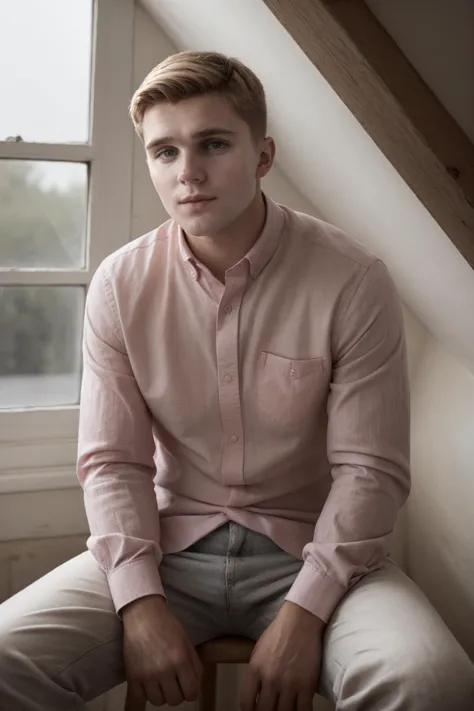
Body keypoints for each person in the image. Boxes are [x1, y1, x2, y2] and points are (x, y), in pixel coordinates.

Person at [0, 50, 473, 711]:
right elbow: (114, 461)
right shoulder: (120, 283)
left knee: (432, 683)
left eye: (212, 144)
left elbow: (371, 470)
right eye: (163, 152)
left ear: (263, 155)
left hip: (315, 549)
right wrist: (138, 603)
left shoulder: (353, 279)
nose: (187, 173)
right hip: (169, 545)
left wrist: (305, 614)